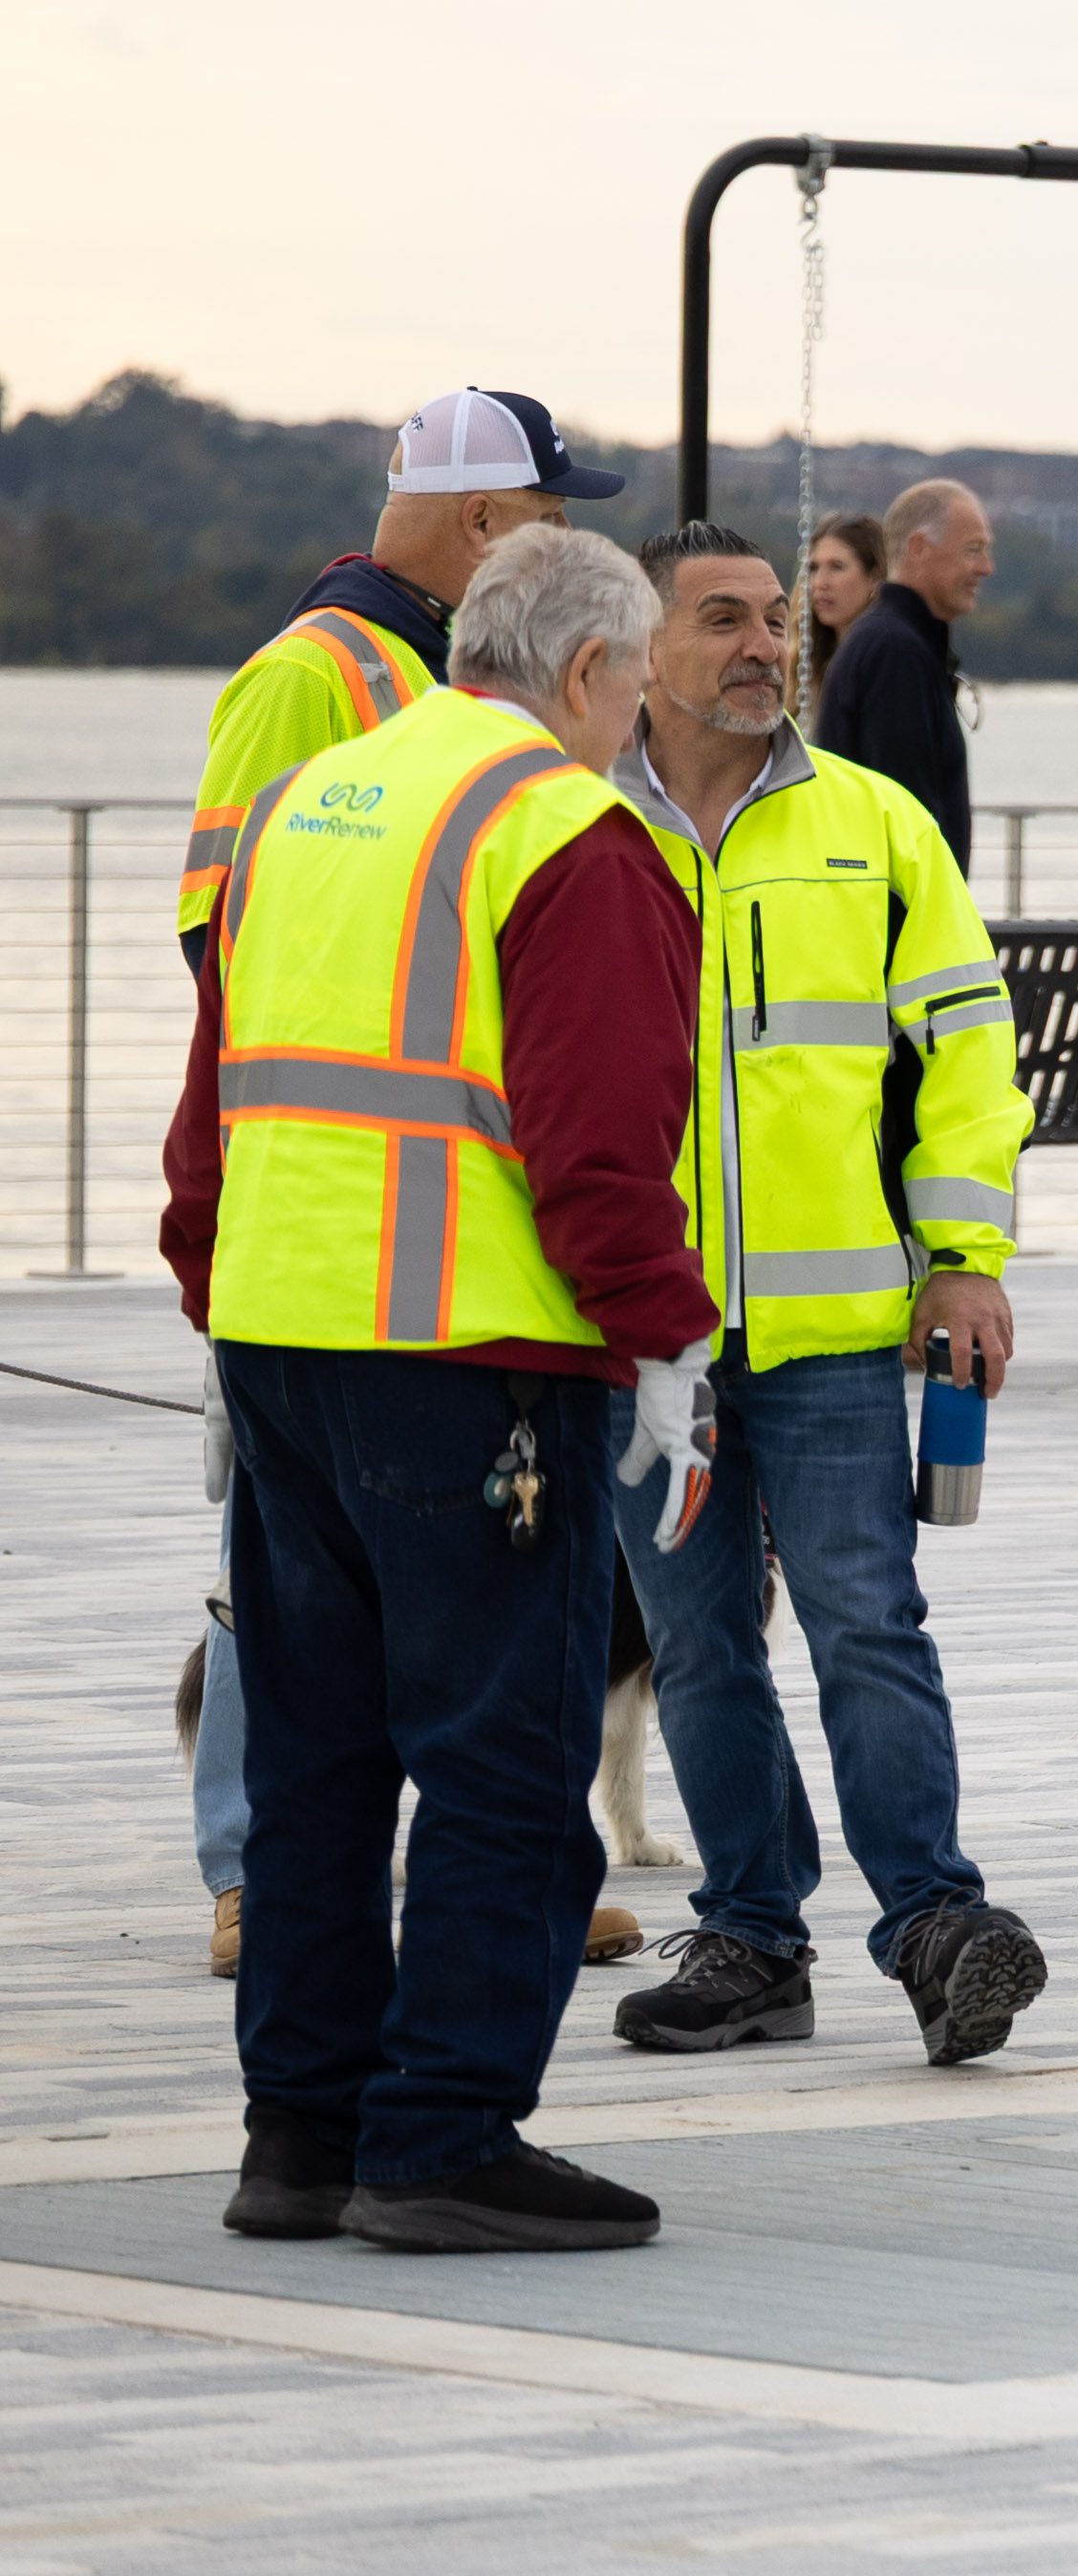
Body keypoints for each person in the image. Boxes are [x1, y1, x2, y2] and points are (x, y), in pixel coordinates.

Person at [164, 523, 721, 2255]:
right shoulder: (572, 834)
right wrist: (672, 1347)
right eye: (636, 682)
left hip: (280, 1348)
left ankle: (300, 2143)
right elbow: (602, 1143)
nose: (639, 717)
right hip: (475, 1373)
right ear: (581, 672)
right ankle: (444, 2134)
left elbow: (211, 1115)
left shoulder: (304, 812)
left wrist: (219, 1300)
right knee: (503, 1763)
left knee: (318, 1769)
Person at [171, 385, 632, 1977]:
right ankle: (247, 1874)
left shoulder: (416, 669)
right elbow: (234, 951)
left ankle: (413, 1946)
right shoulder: (317, 677)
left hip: (364, 1241)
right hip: (344, 1237)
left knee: (349, 1613)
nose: (571, 534)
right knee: (299, 1610)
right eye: (557, 509)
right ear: (492, 522)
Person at [593, 520, 1050, 2069]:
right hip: (637, 1339)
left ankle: (938, 1925)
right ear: (634, 649)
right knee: (701, 1648)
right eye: (721, 617)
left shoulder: (876, 828)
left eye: (777, 617)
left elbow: (970, 1058)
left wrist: (967, 1254)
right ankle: (750, 1941)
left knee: (869, 1628)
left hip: (842, 1336)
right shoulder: (573, 831)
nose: (763, 644)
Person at [813, 478, 987, 865]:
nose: (986, 568)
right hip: (902, 920)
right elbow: (907, 828)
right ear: (919, 548)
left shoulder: (893, 642)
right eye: (973, 550)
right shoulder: (895, 652)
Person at [799, 511, 888, 703]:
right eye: (814, 568)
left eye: (837, 567)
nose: (820, 583)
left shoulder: (887, 666)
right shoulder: (805, 669)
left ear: (875, 578)